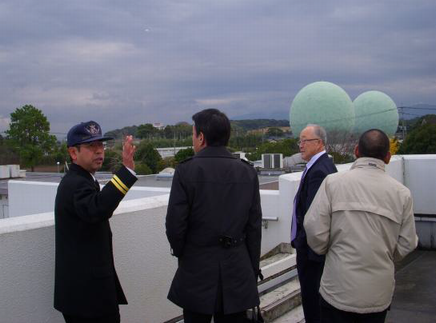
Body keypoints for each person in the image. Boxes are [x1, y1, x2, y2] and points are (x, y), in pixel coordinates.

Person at [304, 129, 418, 323]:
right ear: (388, 157)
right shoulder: (402, 193)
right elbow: (407, 243)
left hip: (337, 289)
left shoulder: (332, 183)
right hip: (377, 294)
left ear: (356, 151)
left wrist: (327, 250)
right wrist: (386, 256)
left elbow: (313, 227)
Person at [166, 109, 262, 323]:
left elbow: (175, 225)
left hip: (196, 267)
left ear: (201, 137)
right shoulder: (247, 172)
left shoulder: (186, 171)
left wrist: (186, 255)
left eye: (193, 135)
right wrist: (251, 269)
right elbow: (253, 227)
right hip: (237, 266)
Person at [54, 121, 137, 323]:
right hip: (87, 298)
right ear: (74, 153)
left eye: (101, 145)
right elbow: (96, 209)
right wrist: (125, 172)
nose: (99, 151)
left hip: (86, 294)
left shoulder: (82, 179)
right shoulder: (76, 183)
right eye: (91, 146)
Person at [291, 124, 337, 323]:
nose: (300, 145)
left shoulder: (319, 171)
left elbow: (313, 217)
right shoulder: (323, 165)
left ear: (318, 143)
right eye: (299, 141)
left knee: (312, 301)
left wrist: (303, 245)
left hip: (312, 254)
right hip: (315, 251)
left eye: (304, 141)